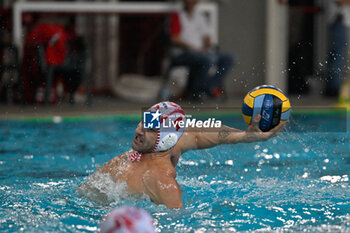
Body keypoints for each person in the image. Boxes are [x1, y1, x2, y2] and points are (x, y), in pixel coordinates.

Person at [79, 101, 285, 209]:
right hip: (90, 201)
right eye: (144, 121)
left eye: (150, 129)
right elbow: (198, 134)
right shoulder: (164, 149)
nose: (140, 130)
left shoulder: (162, 182)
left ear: (167, 141)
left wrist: (245, 136)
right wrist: (243, 136)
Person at [169, 0, 234, 100]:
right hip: (183, 53)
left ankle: (206, 87)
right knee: (207, 59)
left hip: (201, 52)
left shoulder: (200, 17)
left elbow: (207, 37)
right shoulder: (178, 16)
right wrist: (191, 47)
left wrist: (205, 48)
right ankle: (197, 91)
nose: (191, 2)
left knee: (229, 58)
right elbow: (174, 38)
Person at [325, 0, 350, 97]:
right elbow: (340, 1)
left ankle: (333, 86)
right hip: (339, 20)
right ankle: (334, 88)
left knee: (336, 55)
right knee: (337, 55)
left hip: (341, 20)